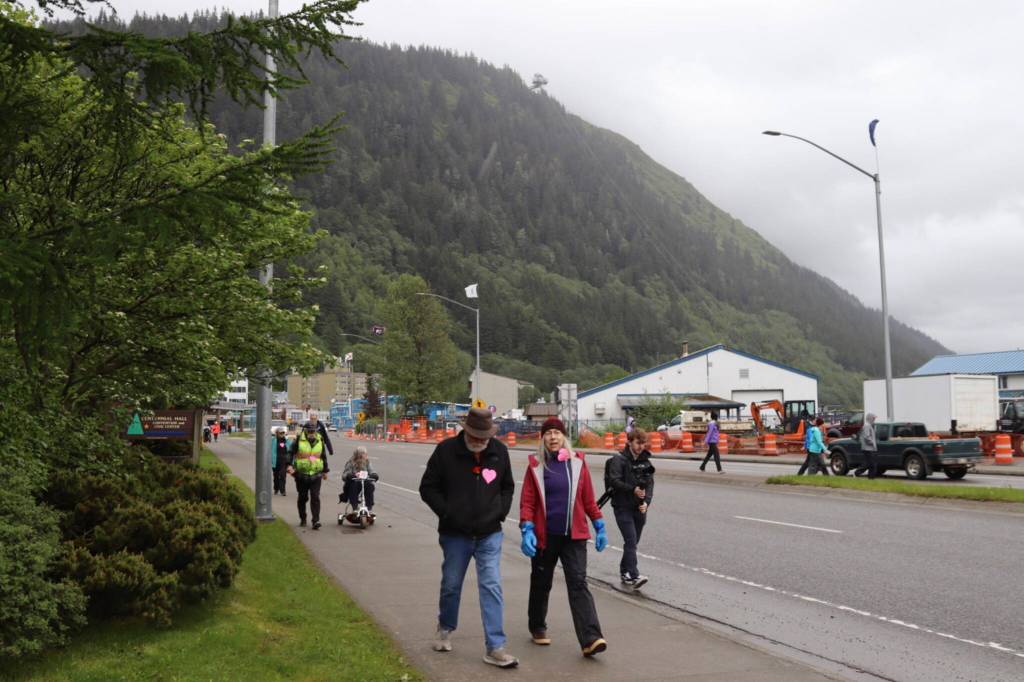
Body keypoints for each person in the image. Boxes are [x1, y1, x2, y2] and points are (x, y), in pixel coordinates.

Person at [419, 407, 518, 669]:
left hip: (489, 533)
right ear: (466, 432)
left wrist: (500, 511)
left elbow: (507, 486)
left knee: (492, 585)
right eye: (475, 438)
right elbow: (428, 487)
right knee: (451, 584)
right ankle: (445, 628)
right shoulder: (445, 451)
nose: (480, 443)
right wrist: (447, 512)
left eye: (484, 439)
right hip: (455, 534)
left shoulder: (499, 452)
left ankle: (495, 646)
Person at [520, 417, 608, 657]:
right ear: (543, 438)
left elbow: (588, 499)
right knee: (541, 582)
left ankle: (591, 638)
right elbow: (528, 501)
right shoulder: (536, 465)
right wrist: (526, 528)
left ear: (564, 436)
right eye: (548, 433)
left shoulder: (578, 463)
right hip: (544, 536)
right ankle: (537, 626)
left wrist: (599, 523)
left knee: (578, 583)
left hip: (574, 536)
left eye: (556, 433)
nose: (552, 437)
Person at [606, 428, 655, 589]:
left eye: (643, 443)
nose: (641, 447)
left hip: (639, 508)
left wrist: (646, 502)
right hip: (622, 506)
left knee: (632, 543)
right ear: (629, 442)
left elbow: (649, 484)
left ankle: (624, 571)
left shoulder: (645, 461)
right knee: (631, 540)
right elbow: (614, 480)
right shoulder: (618, 460)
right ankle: (634, 576)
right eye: (638, 443)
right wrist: (632, 489)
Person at [288, 422, 330, 529]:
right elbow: (290, 452)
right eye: (310, 431)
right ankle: (303, 518)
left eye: (314, 431)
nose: (312, 433)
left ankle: (316, 521)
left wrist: (325, 471)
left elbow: (323, 456)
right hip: (301, 474)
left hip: (316, 474)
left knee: (315, 497)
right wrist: (289, 466)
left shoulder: (320, 440)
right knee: (302, 498)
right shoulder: (299, 440)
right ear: (305, 431)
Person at [340, 446, 378, 512]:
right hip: (353, 482)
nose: (366, 455)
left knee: (370, 485)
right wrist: (349, 475)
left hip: (363, 482)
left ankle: (369, 507)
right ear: (360, 454)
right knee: (354, 485)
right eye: (365, 454)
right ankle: (355, 507)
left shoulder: (367, 462)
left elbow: (371, 471)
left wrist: (374, 475)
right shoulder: (351, 462)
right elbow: (344, 475)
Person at [854, 413, 879, 478]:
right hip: (868, 448)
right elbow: (866, 437)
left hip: (869, 448)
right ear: (870, 418)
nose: (874, 419)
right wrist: (872, 443)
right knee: (871, 464)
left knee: (870, 464)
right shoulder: (867, 426)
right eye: (873, 418)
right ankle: (857, 473)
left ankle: (870, 478)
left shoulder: (869, 425)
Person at [271, 427, 290, 496]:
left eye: (283, 433)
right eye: (280, 433)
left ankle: (283, 490)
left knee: (283, 476)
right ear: (277, 434)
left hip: (284, 461)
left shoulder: (287, 441)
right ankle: (276, 488)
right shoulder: (273, 441)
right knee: (276, 476)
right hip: (275, 461)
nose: (282, 434)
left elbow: (290, 450)